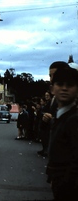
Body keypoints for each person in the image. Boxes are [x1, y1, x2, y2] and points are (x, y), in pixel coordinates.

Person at [46, 67, 78, 200]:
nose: (64, 88)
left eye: (70, 85)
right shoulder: (61, 116)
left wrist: (62, 185)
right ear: (52, 88)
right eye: (60, 84)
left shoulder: (74, 119)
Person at [38, 61, 70, 156]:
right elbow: (43, 111)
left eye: (54, 75)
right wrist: (45, 116)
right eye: (50, 76)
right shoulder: (55, 97)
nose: (51, 79)